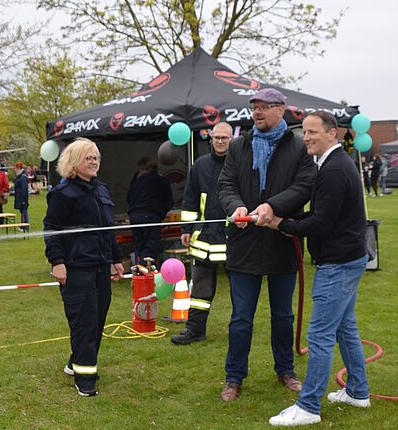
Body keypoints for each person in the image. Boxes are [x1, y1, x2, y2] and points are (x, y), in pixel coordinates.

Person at [266, 111, 370, 426]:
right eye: (305, 132)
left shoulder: (335, 169)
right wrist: (290, 221)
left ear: (332, 134)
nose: (307, 137)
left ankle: (308, 406)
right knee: (344, 328)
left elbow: (322, 223)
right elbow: (324, 211)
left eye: (313, 132)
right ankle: (357, 391)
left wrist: (281, 223)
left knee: (320, 334)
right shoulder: (331, 165)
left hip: (338, 263)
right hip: (347, 258)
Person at [217, 88, 315, 401]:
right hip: (244, 244)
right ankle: (234, 378)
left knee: (283, 316)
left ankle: (285, 370)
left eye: (264, 107)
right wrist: (236, 206)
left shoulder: (298, 147)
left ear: (281, 110)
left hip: (283, 242)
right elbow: (226, 184)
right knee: (241, 317)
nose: (257, 113)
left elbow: (304, 186)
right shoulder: (238, 145)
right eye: (254, 107)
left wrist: (273, 205)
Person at [44, 137, 124, 397]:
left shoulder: (101, 190)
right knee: (85, 322)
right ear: (74, 162)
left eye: (97, 157)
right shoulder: (62, 193)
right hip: (77, 268)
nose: (94, 161)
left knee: (98, 319)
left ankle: (75, 363)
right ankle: (85, 379)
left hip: (100, 266)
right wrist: (57, 262)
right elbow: (52, 230)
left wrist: (116, 259)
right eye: (89, 157)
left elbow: (108, 230)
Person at [171, 122, 233, 346]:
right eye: (216, 137)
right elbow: (190, 199)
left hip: (232, 238)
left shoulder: (240, 164)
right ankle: (195, 330)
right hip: (204, 237)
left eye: (224, 138)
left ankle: (239, 330)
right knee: (200, 289)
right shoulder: (200, 165)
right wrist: (186, 229)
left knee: (240, 290)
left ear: (231, 139)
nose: (219, 141)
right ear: (211, 139)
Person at [127, 157, 172, 264]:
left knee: (139, 246)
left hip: (134, 216)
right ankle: (146, 274)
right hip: (151, 215)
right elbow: (168, 201)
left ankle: (138, 272)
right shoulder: (160, 180)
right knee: (150, 246)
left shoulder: (135, 181)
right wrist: (161, 214)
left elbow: (129, 198)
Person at [13, 162, 29, 232]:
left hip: (22, 198)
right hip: (20, 197)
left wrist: (23, 200)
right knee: (22, 212)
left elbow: (24, 189)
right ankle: (23, 225)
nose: (14, 170)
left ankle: (25, 226)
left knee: (24, 211)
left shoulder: (23, 177)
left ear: (19, 168)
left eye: (15, 168)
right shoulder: (20, 176)